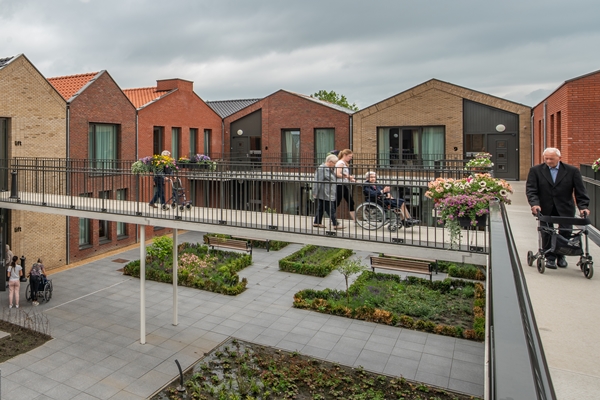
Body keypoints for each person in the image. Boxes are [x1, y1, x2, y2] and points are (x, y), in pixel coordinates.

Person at [526, 147, 590, 269]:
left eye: (551, 159)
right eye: (546, 159)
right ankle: (550, 257)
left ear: (559, 158)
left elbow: (580, 191)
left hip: (565, 207)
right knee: (546, 232)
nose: (548, 161)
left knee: (566, 231)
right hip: (545, 207)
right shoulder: (536, 171)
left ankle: (561, 256)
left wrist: (583, 207)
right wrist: (534, 204)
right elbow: (531, 190)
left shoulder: (572, 171)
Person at [313, 154, 344, 230]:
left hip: (329, 192)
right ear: (330, 162)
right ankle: (335, 224)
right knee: (330, 208)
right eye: (334, 163)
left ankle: (317, 222)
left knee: (321, 207)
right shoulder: (322, 169)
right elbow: (317, 181)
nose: (334, 165)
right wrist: (315, 192)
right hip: (325, 193)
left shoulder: (329, 170)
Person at [335, 149, 356, 222]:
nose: (351, 158)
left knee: (351, 202)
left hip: (344, 184)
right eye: (349, 156)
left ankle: (355, 219)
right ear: (344, 155)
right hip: (339, 185)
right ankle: (332, 218)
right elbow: (337, 173)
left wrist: (350, 178)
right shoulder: (340, 163)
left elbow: (343, 174)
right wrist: (348, 177)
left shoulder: (344, 163)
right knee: (337, 202)